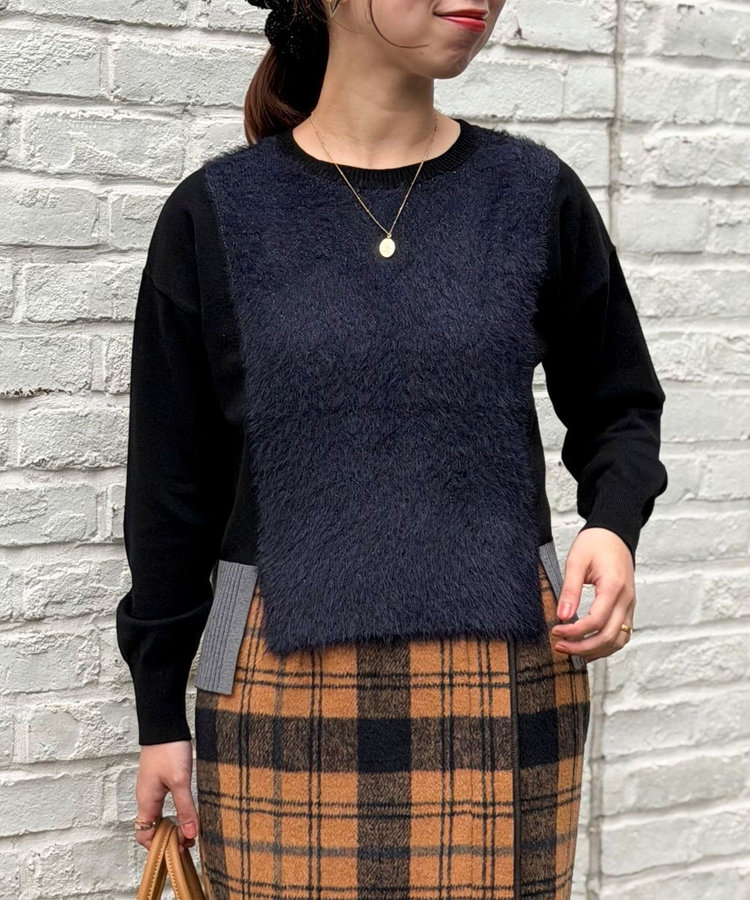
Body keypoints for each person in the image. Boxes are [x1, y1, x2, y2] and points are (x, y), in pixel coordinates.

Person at [115, 0, 668, 896]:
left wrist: (612, 525)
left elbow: (619, 403)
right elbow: (170, 489)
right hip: (275, 690)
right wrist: (158, 715)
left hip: (507, 686)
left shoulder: (533, 195)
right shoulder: (217, 214)